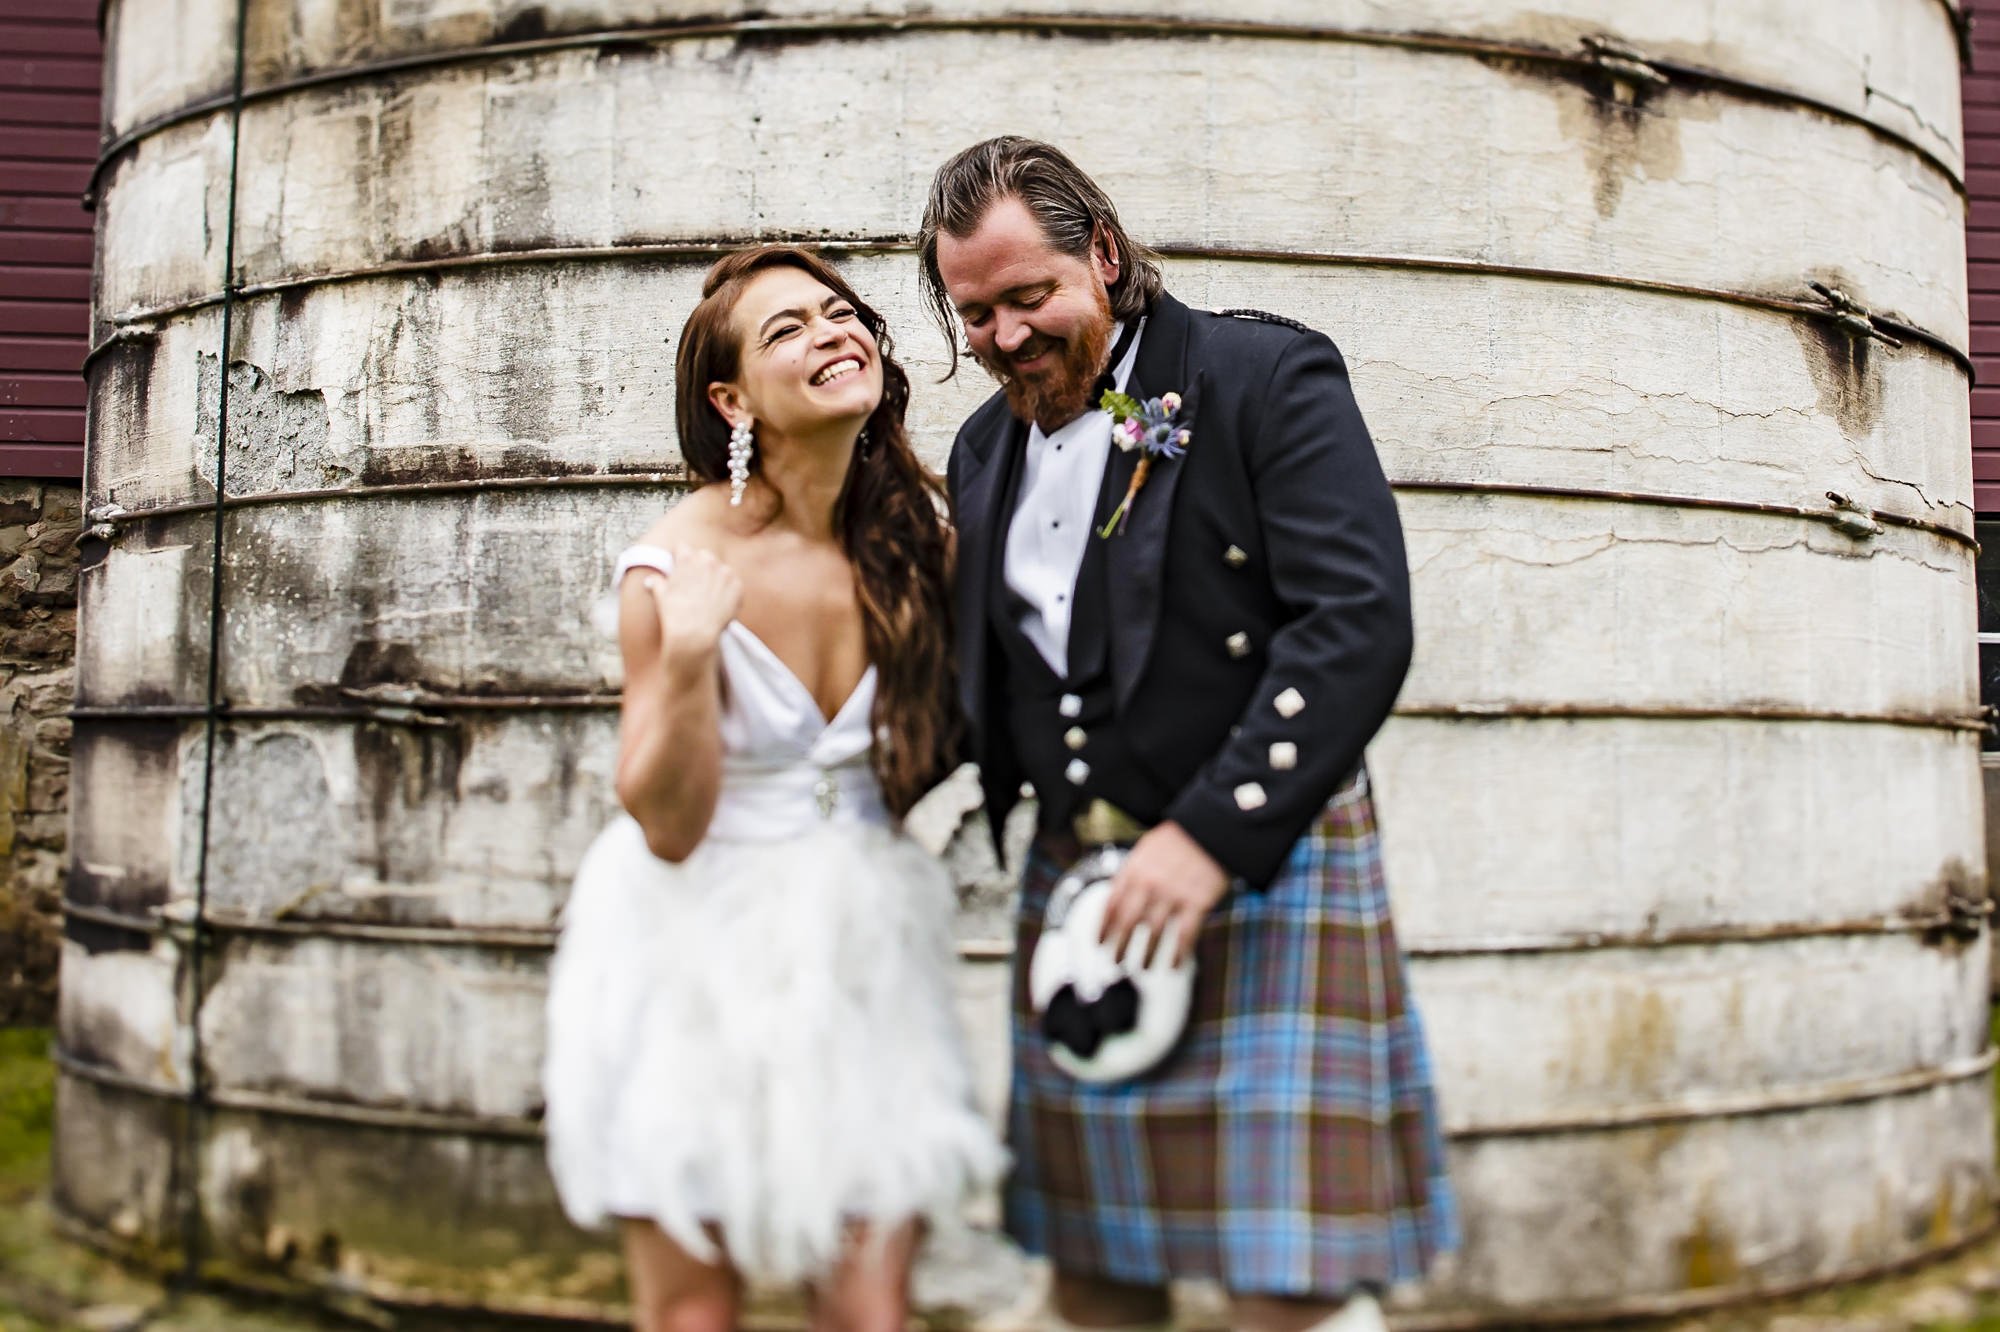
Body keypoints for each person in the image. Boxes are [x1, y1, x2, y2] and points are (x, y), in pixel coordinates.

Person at [919, 138, 1457, 1332]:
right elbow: (990, 673)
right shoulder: (981, 448)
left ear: (1101, 256)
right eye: (975, 314)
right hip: (1081, 884)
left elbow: (1355, 620)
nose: (1006, 336)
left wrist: (1210, 837)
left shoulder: (1258, 375)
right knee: (1092, 1265)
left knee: (1286, 1283)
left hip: (1257, 864)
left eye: (1029, 297)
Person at [542, 244, 1005, 1332]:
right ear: (730, 396)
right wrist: (694, 660)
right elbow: (663, 824)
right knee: (696, 1312)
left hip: (858, 944)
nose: (830, 333)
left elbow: (950, 735)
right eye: (785, 329)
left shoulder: (920, 545)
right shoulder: (675, 564)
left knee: (868, 1309)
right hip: (692, 947)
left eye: (840, 314)